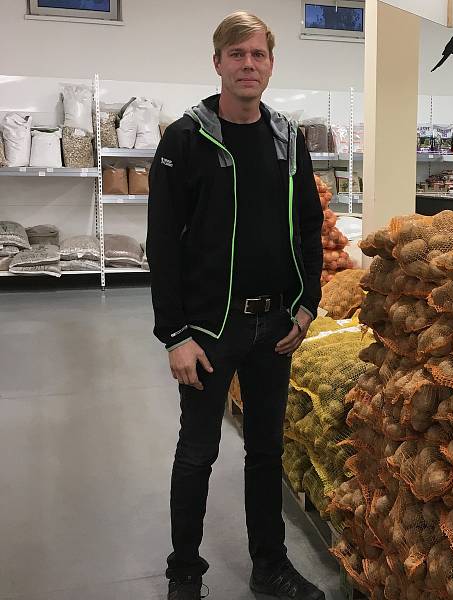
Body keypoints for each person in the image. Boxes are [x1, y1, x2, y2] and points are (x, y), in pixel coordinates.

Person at [146, 11, 324, 600]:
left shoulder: (287, 138)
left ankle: (269, 566)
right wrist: (174, 334)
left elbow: (308, 228)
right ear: (218, 62)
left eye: (259, 55)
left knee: (267, 452)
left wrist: (306, 307)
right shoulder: (186, 138)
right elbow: (163, 243)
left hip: (275, 325)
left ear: (271, 65)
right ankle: (184, 574)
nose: (248, 65)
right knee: (197, 452)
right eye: (237, 54)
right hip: (209, 329)